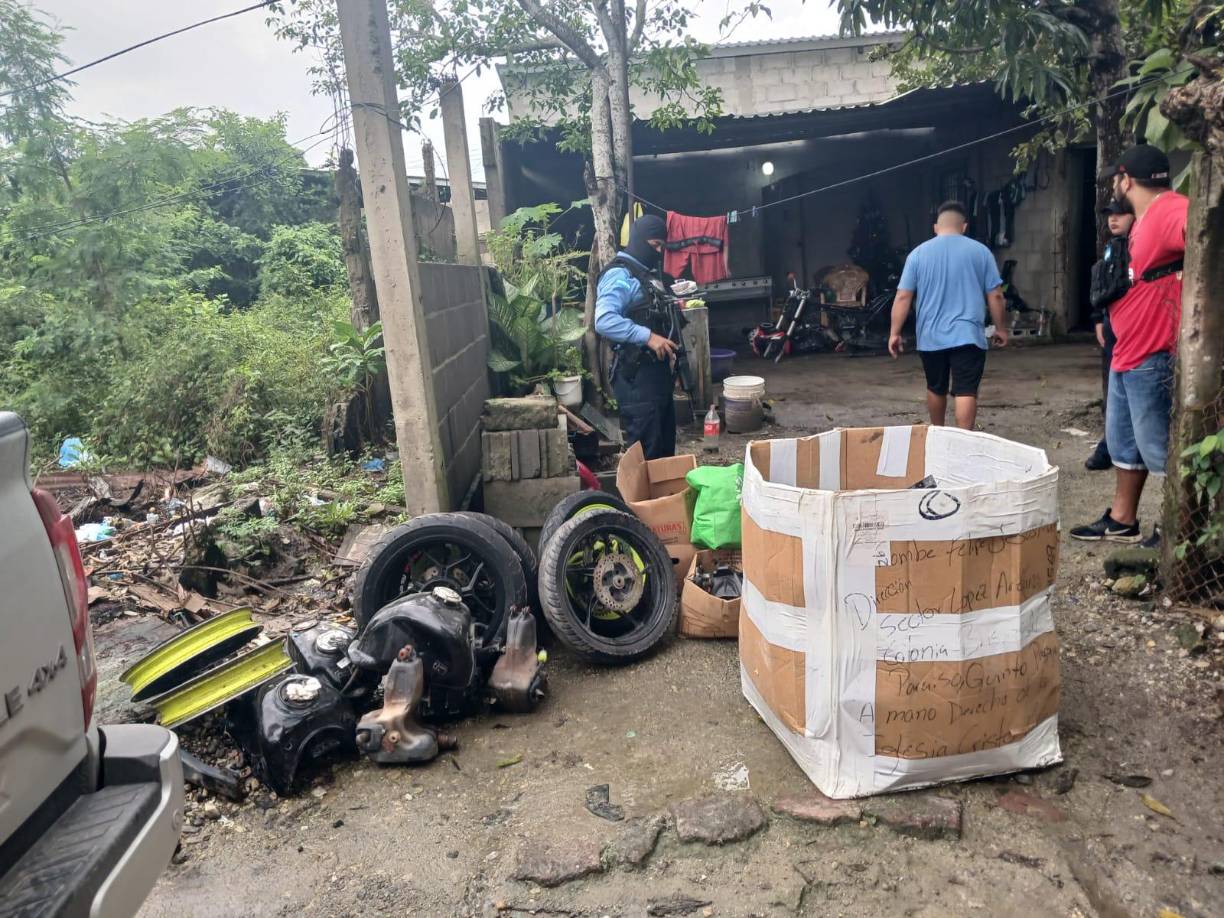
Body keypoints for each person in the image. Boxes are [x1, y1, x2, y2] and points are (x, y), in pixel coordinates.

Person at [1071, 144, 1188, 545]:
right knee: (1125, 445)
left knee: (1159, 449)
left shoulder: (1170, 209)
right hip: (1127, 352)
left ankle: (1177, 530)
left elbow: (1205, 237)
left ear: (1126, 180)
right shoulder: (1143, 219)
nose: (1113, 188)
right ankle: (1122, 519)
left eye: (1115, 180)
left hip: (1154, 354)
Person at [888, 200, 1009, 430]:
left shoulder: (917, 254)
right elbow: (995, 295)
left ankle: (938, 433)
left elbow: (903, 297)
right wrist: (1001, 328)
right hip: (968, 335)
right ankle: (963, 440)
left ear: (936, 227)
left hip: (930, 337)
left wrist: (894, 333)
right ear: (964, 226)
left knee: (936, 387)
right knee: (966, 390)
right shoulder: (981, 252)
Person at [594, 213, 679, 459]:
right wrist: (648, 337)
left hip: (655, 378)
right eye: (655, 245)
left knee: (664, 454)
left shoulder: (646, 275)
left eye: (662, 247)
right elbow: (604, 320)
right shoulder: (619, 275)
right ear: (640, 240)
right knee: (646, 457)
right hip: (636, 380)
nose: (659, 252)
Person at [1085, 199, 1136, 471]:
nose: (1113, 220)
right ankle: (1109, 446)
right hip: (1113, 322)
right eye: (1109, 215)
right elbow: (1103, 284)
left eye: (1120, 214)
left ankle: (1112, 447)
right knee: (1116, 385)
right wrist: (1098, 319)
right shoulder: (1111, 247)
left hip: (1137, 324)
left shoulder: (1141, 243)